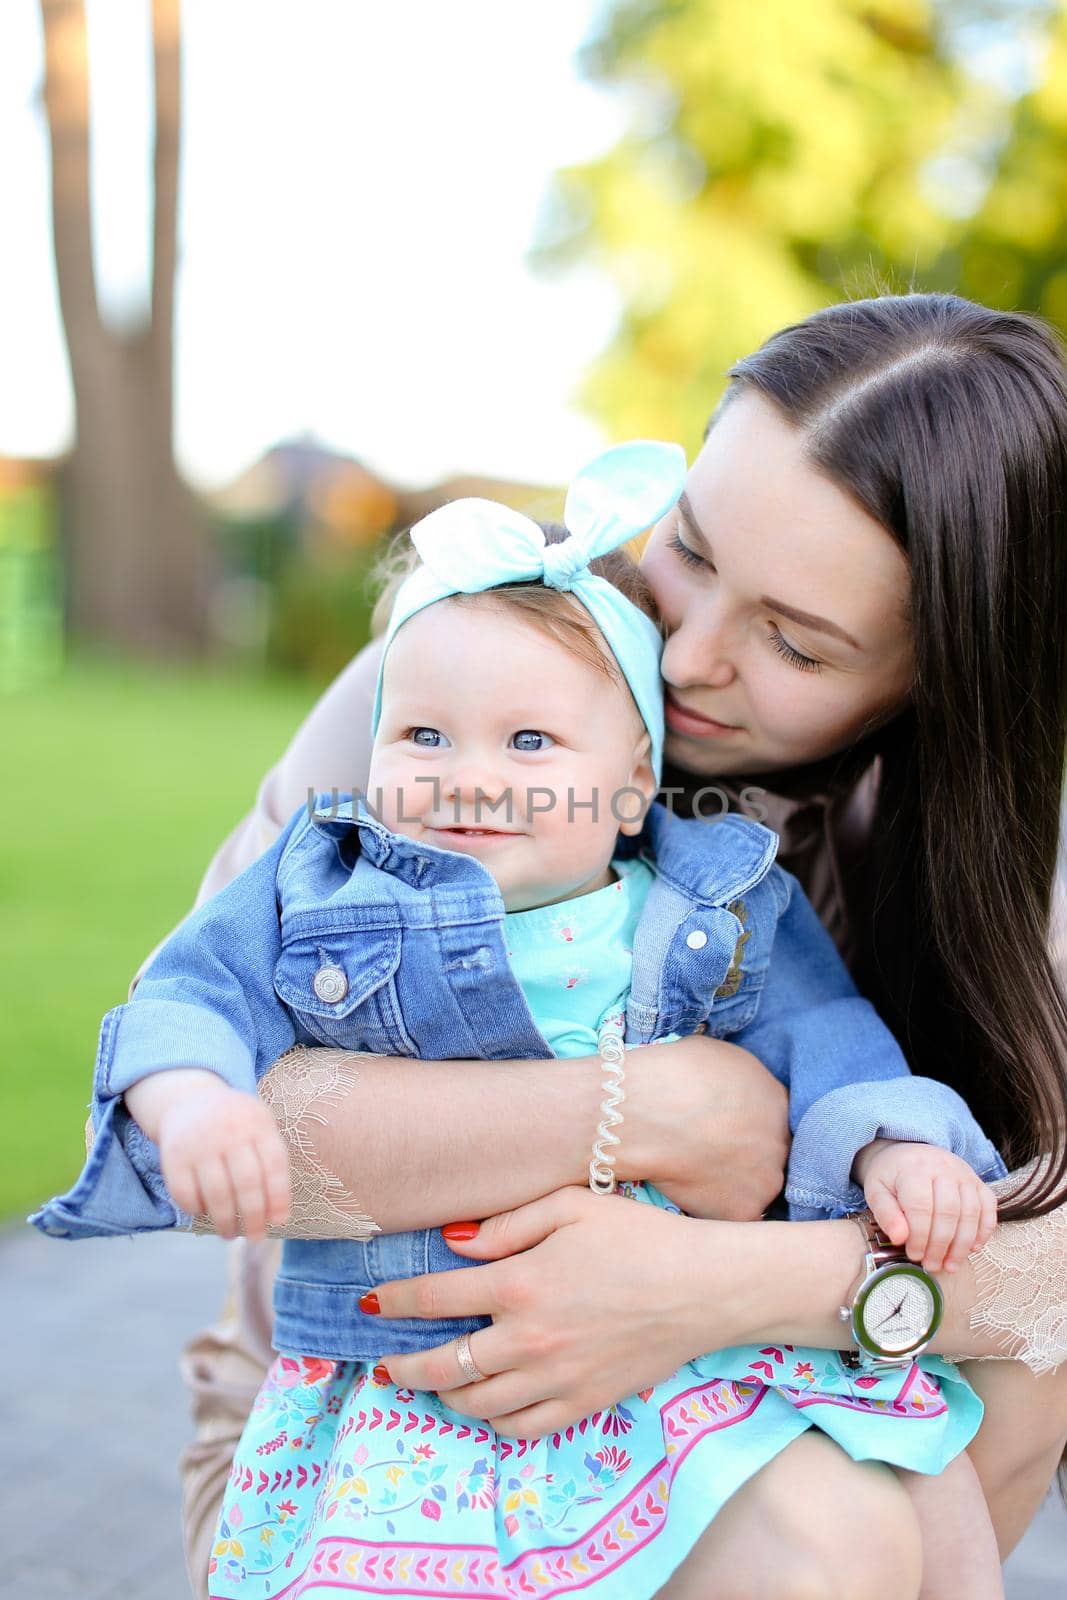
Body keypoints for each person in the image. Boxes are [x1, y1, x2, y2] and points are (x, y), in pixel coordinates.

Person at [69, 292, 1067, 1596]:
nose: (693, 654)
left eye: (793, 640)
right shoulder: (464, 684)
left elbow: (1043, 1286)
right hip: (375, 1393)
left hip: (714, 1381)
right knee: (831, 1526)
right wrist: (657, 1109)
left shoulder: (975, 852)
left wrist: (711, 1286)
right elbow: (245, 1121)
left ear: (938, 676)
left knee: (992, 1407)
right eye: (694, 553)